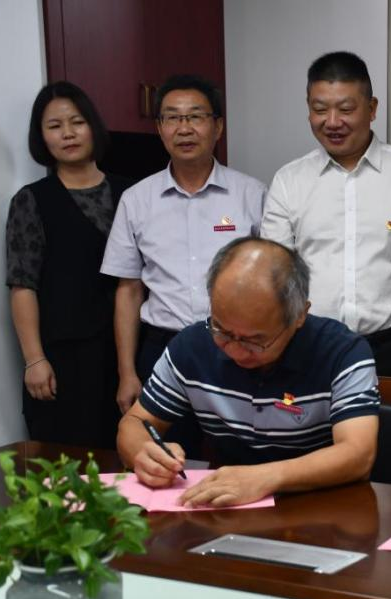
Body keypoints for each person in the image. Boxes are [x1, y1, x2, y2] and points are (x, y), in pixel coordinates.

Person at [117, 237, 379, 507]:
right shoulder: (192, 346)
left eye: (255, 341)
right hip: (227, 508)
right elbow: (134, 422)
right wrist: (143, 454)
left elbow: (358, 454)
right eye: (222, 331)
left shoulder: (342, 353)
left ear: (299, 315)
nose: (236, 351)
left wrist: (266, 477)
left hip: (321, 508)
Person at [101, 74, 266, 456]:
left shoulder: (251, 194)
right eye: (173, 118)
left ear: (217, 126)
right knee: (166, 461)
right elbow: (128, 290)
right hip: (163, 348)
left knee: (242, 459)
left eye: (195, 116)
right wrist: (127, 372)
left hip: (237, 349)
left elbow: (271, 281)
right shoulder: (137, 200)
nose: (184, 128)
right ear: (160, 128)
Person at [262, 52, 391, 377]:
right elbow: (275, 272)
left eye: (346, 109)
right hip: (310, 344)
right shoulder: (289, 180)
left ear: (372, 108)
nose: (332, 122)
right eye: (320, 109)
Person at [6, 81, 133, 447]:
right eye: (54, 126)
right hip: (64, 359)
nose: (68, 134)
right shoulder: (32, 200)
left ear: (93, 126)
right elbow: (22, 284)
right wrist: (34, 359)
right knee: (65, 465)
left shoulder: (132, 193)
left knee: (131, 461)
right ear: (41, 137)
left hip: (127, 354)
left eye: (77, 122)